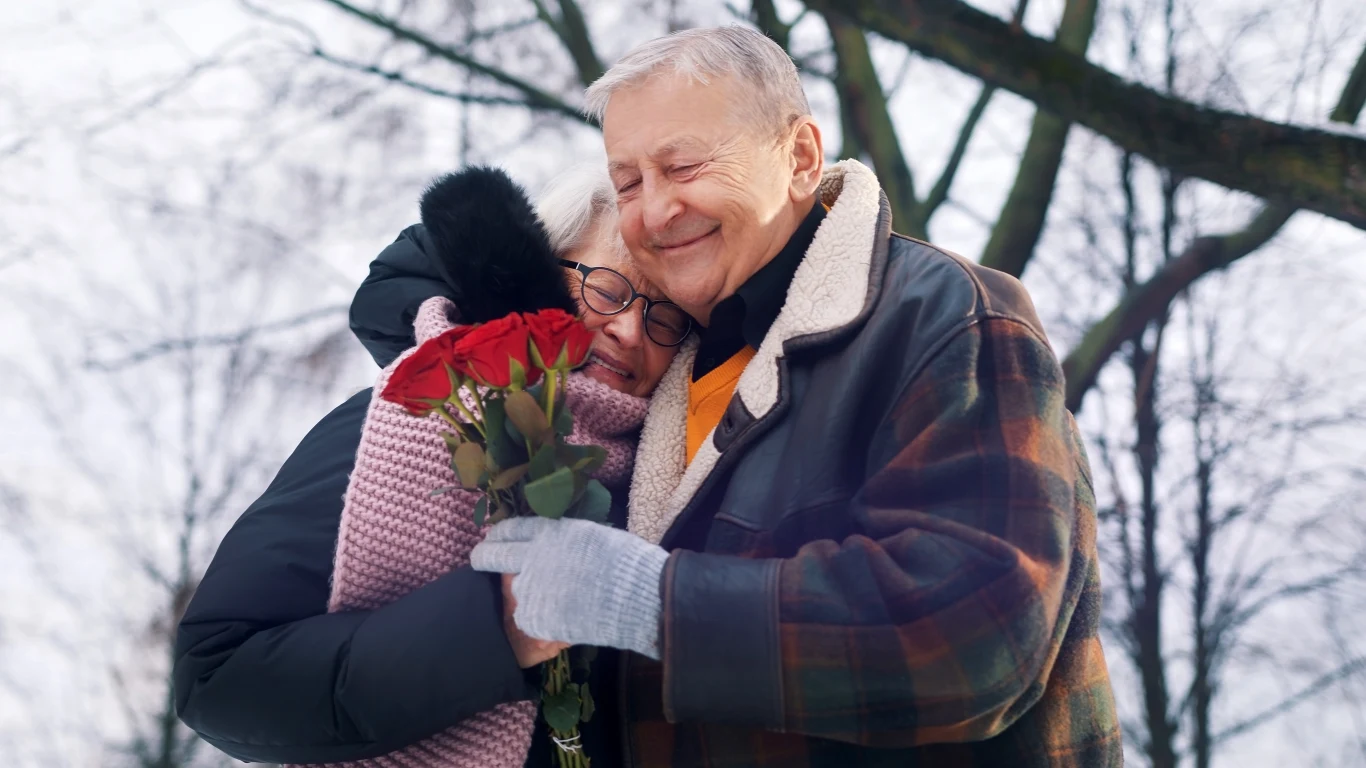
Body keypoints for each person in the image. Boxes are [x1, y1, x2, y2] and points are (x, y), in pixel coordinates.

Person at [469, 26, 1123, 767]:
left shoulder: (942, 316)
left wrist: (655, 601)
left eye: (682, 167)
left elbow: (979, 640)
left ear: (802, 158)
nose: (653, 212)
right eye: (628, 183)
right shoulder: (665, 369)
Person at [173, 164, 684, 767]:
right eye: (607, 288)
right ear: (538, 273)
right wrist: (497, 628)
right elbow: (220, 676)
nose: (628, 328)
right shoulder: (403, 418)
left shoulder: (672, 477)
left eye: (665, 315)